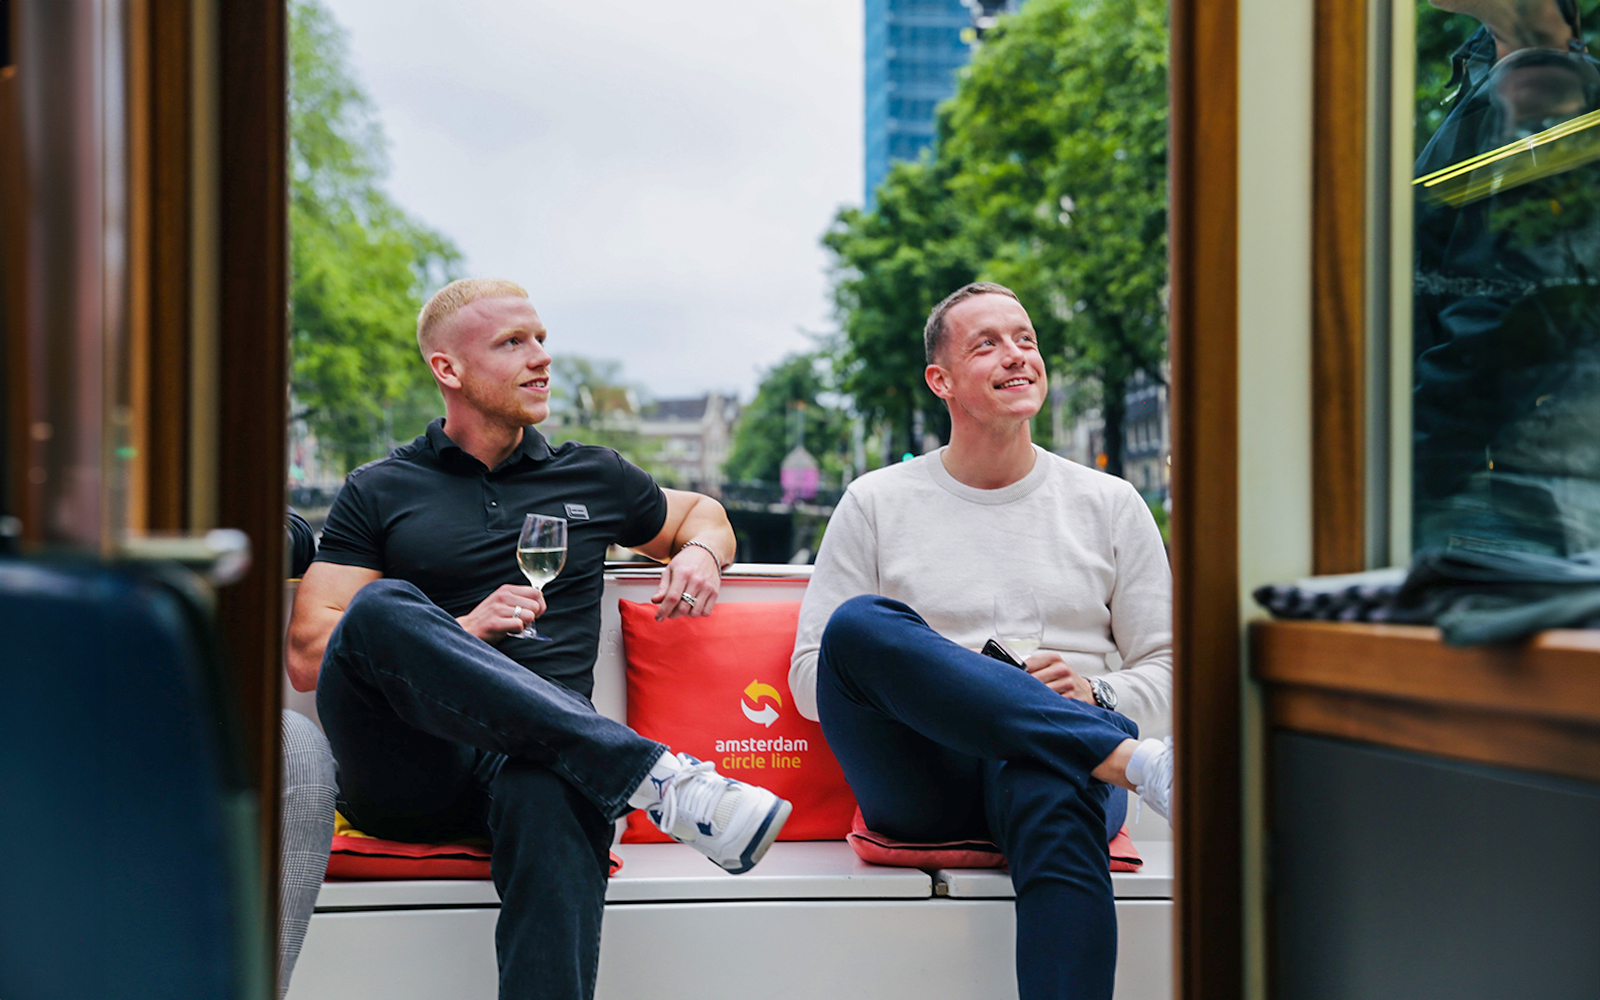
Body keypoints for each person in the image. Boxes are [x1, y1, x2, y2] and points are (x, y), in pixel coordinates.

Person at [286, 278, 791, 1000]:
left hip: (539, 760)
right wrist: (459, 629)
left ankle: (631, 773)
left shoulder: (594, 474)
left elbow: (702, 513)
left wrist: (701, 553)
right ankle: (656, 777)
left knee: (552, 784)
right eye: (512, 343)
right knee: (381, 610)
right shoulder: (379, 488)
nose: (541, 358)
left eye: (542, 340)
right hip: (411, 765)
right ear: (448, 370)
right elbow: (310, 655)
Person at [789, 283, 1175, 1000]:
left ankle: (1081, 739)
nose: (1017, 356)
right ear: (941, 380)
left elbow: (1172, 668)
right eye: (987, 344)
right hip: (922, 774)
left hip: (1054, 769)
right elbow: (816, 679)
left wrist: (1096, 692)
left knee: (1050, 773)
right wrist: (965, 685)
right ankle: (1127, 759)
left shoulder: (1111, 505)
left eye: (1025, 339)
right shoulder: (875, 502)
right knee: (859, 624)